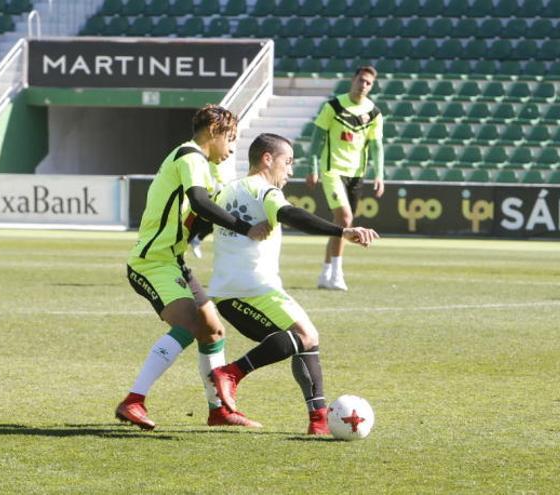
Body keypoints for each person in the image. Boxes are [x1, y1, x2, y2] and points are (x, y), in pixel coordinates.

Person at [207, 133, 378, 434]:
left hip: (225, 296)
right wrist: (343, 232)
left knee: (298, 343)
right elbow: (291, 214)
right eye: (288, 162)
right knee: (308, 336)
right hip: (257, 289)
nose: (290, 171)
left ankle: (319, 420)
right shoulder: (265, 191)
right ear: (267, 159)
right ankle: (231, 373)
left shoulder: (225, 191)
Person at [116, 104, 270, 430]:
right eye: (231, 139)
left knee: (212, 329)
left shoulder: (205, 165)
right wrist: (246, 228)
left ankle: (219, 411)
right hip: (151, 262)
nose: (232, 149)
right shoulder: (190, 158)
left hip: (173, 261)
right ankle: (134, 400)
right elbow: (201, 203)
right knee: (188, 324)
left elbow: (215, 205)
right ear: (213, 132)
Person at [306, 65, 385, 291]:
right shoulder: (333, 106)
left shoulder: (374, 113)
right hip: (332, 171)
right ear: (353, 80)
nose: (364, 85)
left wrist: (379, 174)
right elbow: (316, 140)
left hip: (356, 175)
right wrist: (312, 167)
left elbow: (377, 146)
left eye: (368, 83)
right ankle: (338, 274)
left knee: (340, 224)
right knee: (346, 218)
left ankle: (325, 273)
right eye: (361, 80)